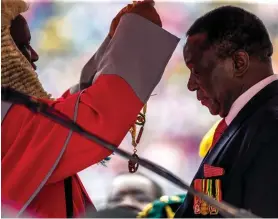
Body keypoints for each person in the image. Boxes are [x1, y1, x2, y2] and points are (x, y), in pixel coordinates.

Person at [1, 0, 179, 217]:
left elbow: (66, 111)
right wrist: (138, 32)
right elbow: (96, 116)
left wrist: (114, 42)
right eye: (23, 46)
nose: (34, 55)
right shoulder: (9, 117)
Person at [175, 5, 278, 218]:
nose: (190, 85)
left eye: (197, 71)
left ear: (239, 62)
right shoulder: (256, 122)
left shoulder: (275, 130)